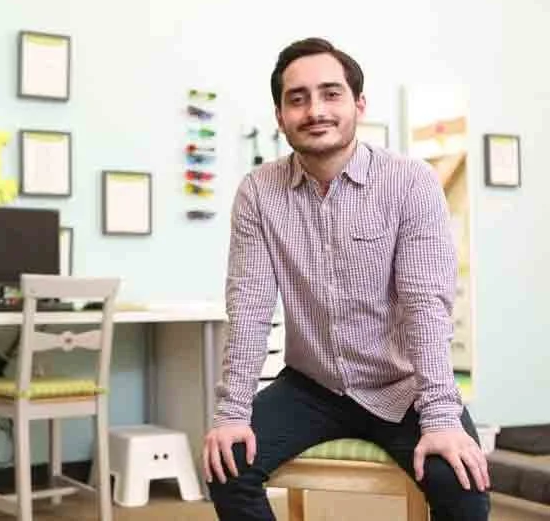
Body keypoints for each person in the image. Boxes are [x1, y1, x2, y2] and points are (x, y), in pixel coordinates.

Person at [202, 37, 490, 521]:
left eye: (331, 94)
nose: (315, 110)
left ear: (358, 104)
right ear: (280, 115)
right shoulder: (257, 192)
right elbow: (250, 308)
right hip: (311, 387)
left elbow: (425, 306)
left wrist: (441, 416)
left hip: (404, 387)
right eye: (298, 98)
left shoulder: (411, 182)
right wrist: (232, 412)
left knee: (461, 489)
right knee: (226, 469)